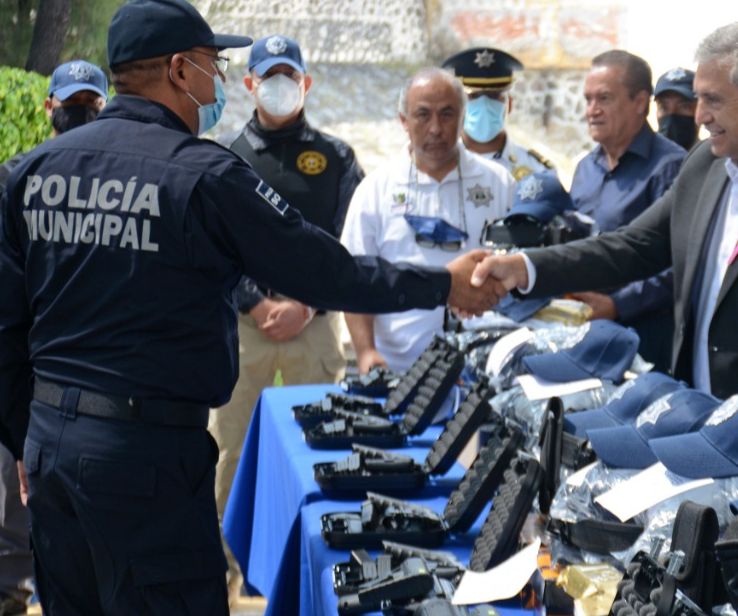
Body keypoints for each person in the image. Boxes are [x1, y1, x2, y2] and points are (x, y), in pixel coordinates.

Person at [0, 0, 502, 615]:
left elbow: (0, 330)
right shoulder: (200, 174)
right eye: (209, 64)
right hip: (147, 459)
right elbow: (324, 271)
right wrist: (443, 283)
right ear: (176, 70)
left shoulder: (32, 173)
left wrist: (23, 446)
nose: (216, 80)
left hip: (52, 450)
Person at [474, 21, 738, 458]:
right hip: (699, 435)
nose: (699, 116)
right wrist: (525, 267)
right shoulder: (706, 166)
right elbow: (632, 247)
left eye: (712, 100)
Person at [210, 34, 364, 597]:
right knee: (229, 458)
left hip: (314, 327)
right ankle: (227, 583)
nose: (279, 86)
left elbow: (352, 241)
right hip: (245, 330)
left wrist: (307, 302)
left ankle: (313, 584)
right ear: (248, 84)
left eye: (288, 75)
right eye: (267, 75)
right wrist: (255, 300)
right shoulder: (225, 157)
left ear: (306, 82)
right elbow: (213, 245)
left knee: (322, 456)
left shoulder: (339, 158)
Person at [0, 60, 108, 616]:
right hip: (29, 356)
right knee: (12, 474)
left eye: (90, 103)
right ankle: (5, 588)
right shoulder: (14, 174)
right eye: (71, 103)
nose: (79, 112)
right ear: (49, 107)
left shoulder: (112, 173)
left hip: (89, 354)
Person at [342, 67, 513, 374]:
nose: (436, 128)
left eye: (447, 114)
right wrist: (366, 352)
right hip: (396, 368)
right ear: (404, 121)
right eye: (423, 115)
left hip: (482, 370)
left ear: (463, 118)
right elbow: (354, 281)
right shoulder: (375, 190)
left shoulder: (499, 184)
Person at [567, 50, 687, 369]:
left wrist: (616, 304)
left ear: (640, 102)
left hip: (645, 340)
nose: (592, 110)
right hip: (583, 333)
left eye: (604, 98)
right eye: (588, 99)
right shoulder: (584, 169)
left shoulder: (672, 167)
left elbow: (681, 264)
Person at [441, 47, 556, 181]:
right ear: (456, 105)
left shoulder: (537, 171)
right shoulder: (439, 166)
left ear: (509, 105)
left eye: (494, 95)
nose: (484, 103)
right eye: (473, 96)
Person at [653, 67, 699, 151]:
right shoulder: (642, 160)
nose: (672, 113)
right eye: (664, 107)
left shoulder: (717, 160)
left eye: (684, 107)